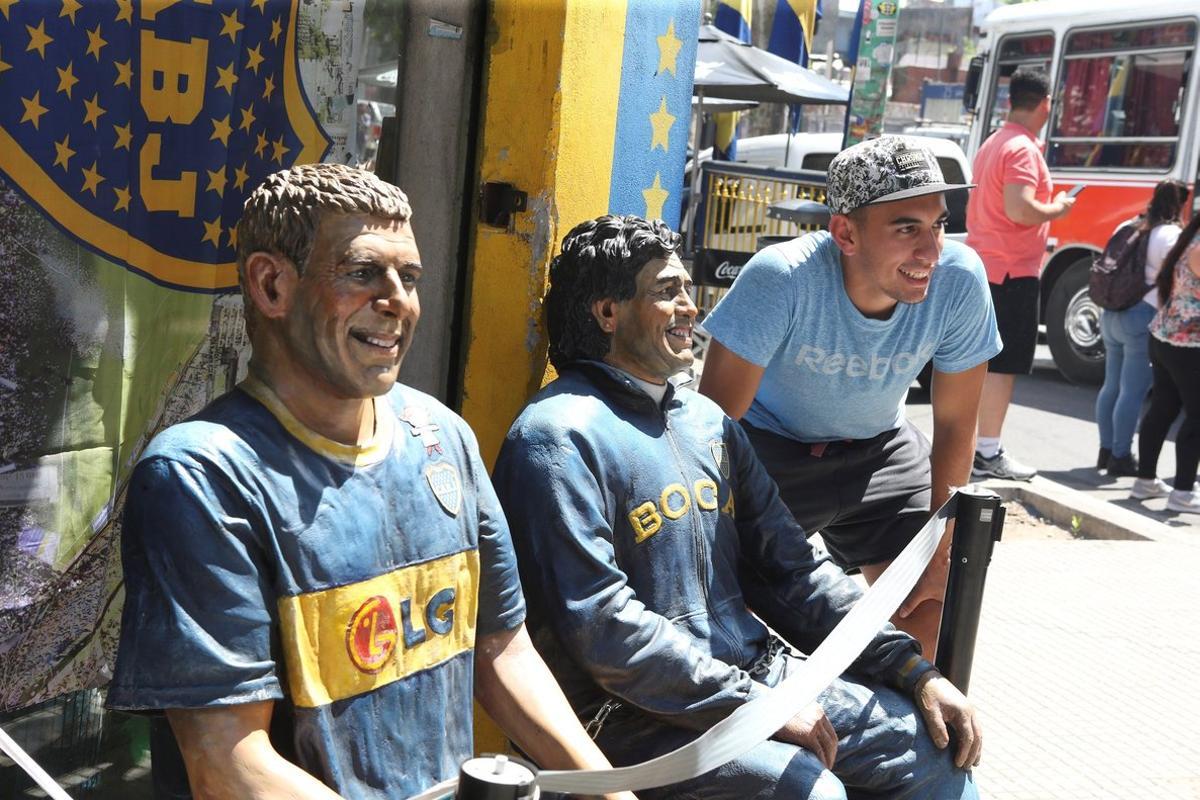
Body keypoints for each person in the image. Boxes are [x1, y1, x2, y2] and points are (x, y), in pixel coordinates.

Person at [107, 164, 635, 800]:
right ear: (272, 285)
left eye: (409, 278)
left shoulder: (443, 436)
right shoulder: (201, 478)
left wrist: (612, 791)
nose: (397, 302)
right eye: (362, 273)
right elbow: (227, 764)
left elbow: (502, 651)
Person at [493, 214, 982, 800]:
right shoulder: (556, 436)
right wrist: (756, 707)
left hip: (755, 679)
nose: (690, 309)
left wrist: (911, 668)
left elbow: (792, 569)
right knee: (809, 793)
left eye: (686, 291)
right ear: (607, 313)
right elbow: (603, 626)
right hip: (628, 719)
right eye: (667, 292)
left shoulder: (707, 423)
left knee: (935, 753)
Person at [698, 136, 1001, 657]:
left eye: (938, 224)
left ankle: (877, 726)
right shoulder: (782, 278)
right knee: (722, 617)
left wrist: (939, 549)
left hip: (881, 450)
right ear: (845, 232)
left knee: (934, 611)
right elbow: (711, 429)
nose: (930, 251)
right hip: (770, 451)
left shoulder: (960, 279)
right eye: (907, 228)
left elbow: (954, 424)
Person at [966, 66, 1075, 481]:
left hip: (989, 265)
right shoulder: (1024, 149)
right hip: (1012, 270)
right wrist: (1059, 208)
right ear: (1045, 103)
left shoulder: (994, 142)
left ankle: (975, 449)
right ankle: (988, 452)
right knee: (1003, 366)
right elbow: (1020, 208)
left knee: (980, 364)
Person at [1094, 181, 1190, 477]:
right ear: (1179, 204)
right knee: (1132, 392)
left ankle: (1106, 451)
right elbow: (1180, 275)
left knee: (1111, 386)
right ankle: (1121, 458)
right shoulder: (1170, 234)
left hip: (1111, 312)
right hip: (1142, 315)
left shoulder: (1129, 224)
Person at [1133, 209, 1200, 514]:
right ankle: (1183, 492)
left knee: (1163, 407)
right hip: (1188, 342)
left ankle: (1145, 480)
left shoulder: (1188, 239)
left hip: (1165, 336)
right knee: (1196, 417)